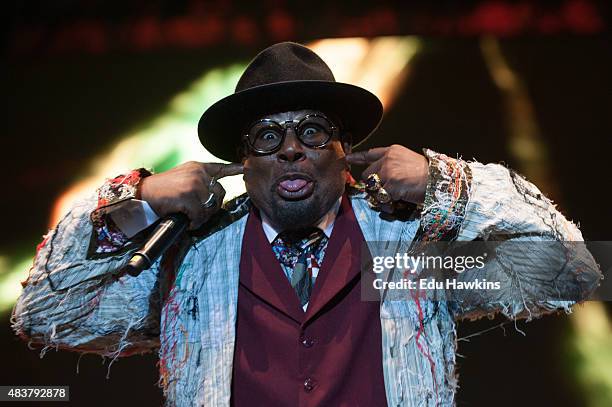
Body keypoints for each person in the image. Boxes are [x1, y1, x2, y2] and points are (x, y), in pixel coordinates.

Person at [12, 42, 600, 406]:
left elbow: (566, 271)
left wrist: (446, 183)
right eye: (268, 136)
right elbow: (43, 314)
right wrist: (136, 203)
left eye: (313, 131)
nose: (291, 149)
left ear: (343, 150)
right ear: (244, 162)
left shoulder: (411, 253)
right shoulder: (192, 263)